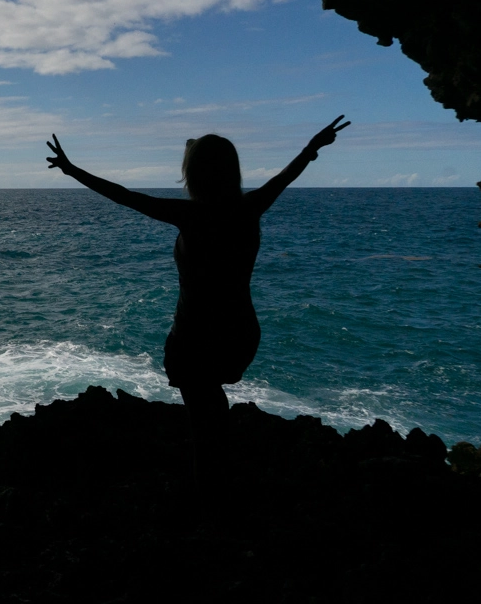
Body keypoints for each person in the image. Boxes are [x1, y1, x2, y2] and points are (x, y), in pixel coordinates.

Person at [46, 116, 349, 501]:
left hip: (195, 341)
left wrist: (72, 170)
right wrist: (312, 148)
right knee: (211, 412)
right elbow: (287, 175)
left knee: (204, 425)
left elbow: (124, 195)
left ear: (194, 175)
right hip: (240, 336)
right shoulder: (251, 206)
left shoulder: (191, 216)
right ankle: (219, 484)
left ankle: (211, 504)